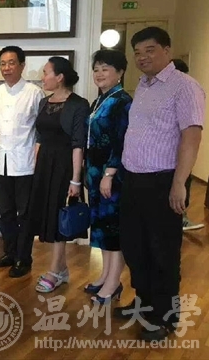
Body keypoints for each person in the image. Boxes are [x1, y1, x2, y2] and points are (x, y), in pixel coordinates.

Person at [116, 27, 205, 341]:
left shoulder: (185, 87)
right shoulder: (143, 85)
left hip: (163, 181)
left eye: (150, 50)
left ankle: (165, 317)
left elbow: (191, 136)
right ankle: (144, 303)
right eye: (138, 52)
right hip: (134, 179)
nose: (143, 57)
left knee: (162, 250)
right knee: (135, 246)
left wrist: (180, 183)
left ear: (167, 50)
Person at [29, 57, 90, 293]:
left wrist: (76, 179)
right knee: (48, 215)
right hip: (45, 165)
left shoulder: (78, 104)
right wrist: (36, 167)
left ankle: (55, 271)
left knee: (59, 218)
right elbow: (39, 138)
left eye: (46, 72)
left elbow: (78, 144)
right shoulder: (45, 102)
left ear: (60, 77)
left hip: (65, 166)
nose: (43, 77)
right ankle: (62, 269)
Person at [0, 46, 44, 277]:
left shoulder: (35, 93)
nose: (6, 68)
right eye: (3, 63)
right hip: (0, 162)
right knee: (6, 212)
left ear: (22, 65)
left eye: (11, 63)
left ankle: (24, 258)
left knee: (25, 214)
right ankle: (9, 253)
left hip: (25, 163)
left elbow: (41, 130)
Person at [84, 49, 132, 303]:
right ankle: (105, 275)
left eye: (106, 69)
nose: (99, 74)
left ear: (120, 72)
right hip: (95, 173)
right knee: (101, 226)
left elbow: (122, 141)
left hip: (111, 175)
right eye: (96, 69)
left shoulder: (122, 101)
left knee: (113, 229)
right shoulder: (99, 101)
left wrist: (110, 173)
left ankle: (114, 283)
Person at [171, 58, 204, 231]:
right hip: (169, 156)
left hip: (181, 151)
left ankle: (182, 217)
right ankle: (180, 218)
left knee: (183, 182)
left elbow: (192, 134)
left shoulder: (189, 91)